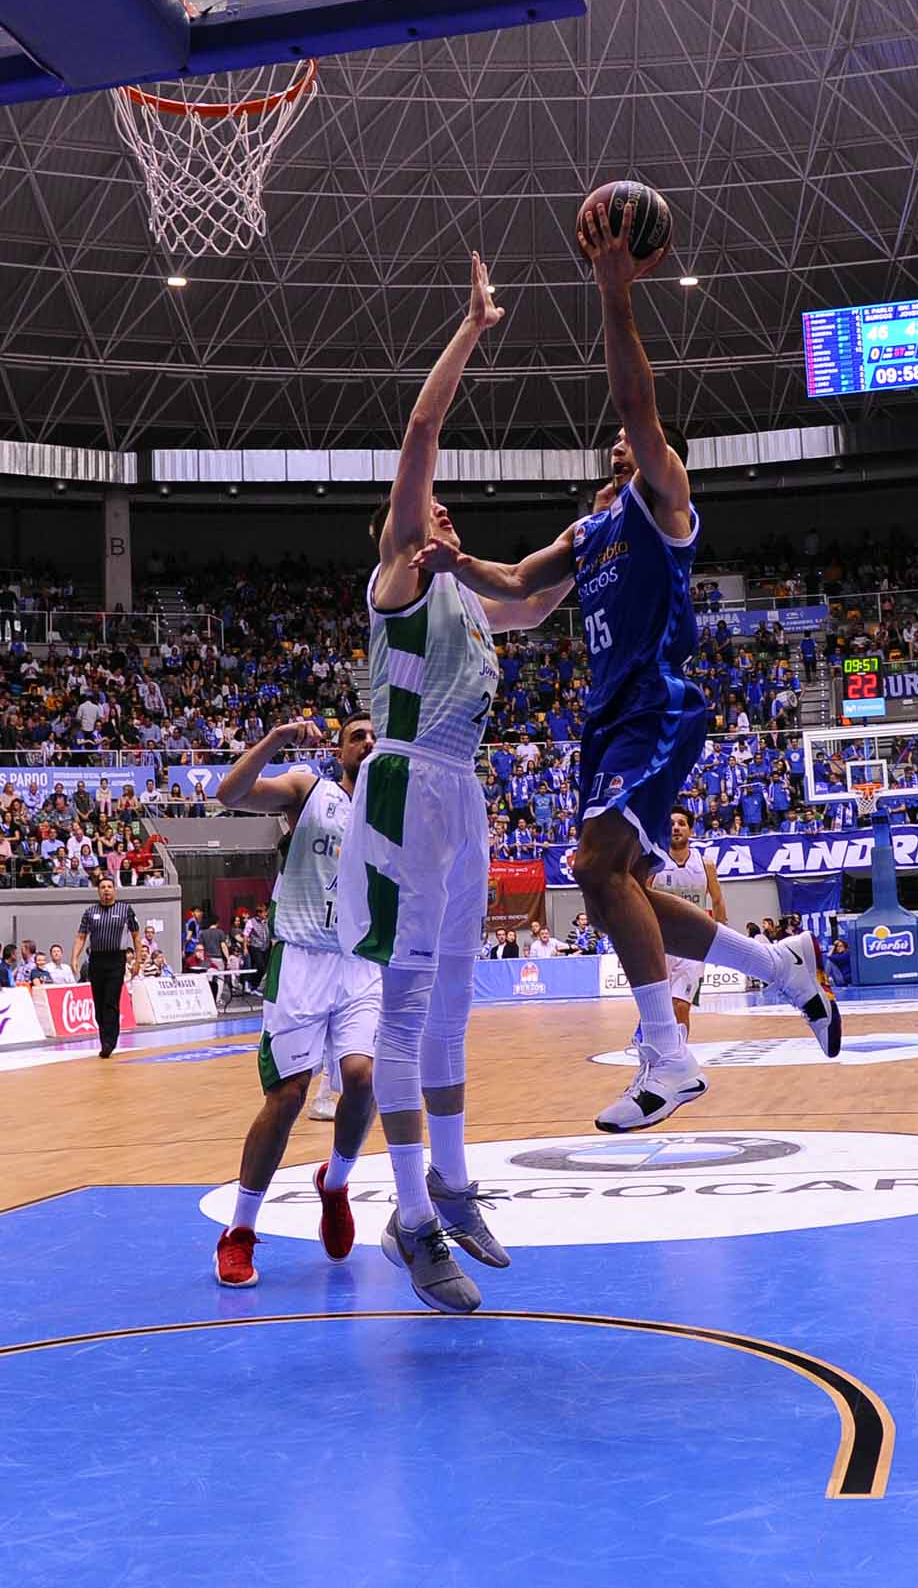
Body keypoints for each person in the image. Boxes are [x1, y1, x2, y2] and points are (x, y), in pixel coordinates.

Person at [416, 204, 839, 1134]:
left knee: (596, 866)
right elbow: (522, 586)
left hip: (655, 705)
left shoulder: (663, 505)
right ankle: (780, 964)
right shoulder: (593, 528)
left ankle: (669, 1057)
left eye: (634, 444)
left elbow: (637, 405)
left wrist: (614, 295)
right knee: (624, 891)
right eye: (613, 449)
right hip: (606, 720)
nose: (622, 446)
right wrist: (452, 567)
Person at [338, 251, 576, 1315]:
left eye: (447, 516)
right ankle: (408, 1215)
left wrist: (613, 526)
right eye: (435, 512)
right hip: (399, 790)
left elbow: (536, 596)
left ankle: (455, 1182)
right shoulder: (397, 574)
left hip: (463, 796)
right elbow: (420, 440)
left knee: (449, 1010)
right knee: (399, 1009)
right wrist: (474, 329)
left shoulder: (478, 609)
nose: (447, 519)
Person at [210, 712, 382, 1288]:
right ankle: (238, 1231)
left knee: (362, 1077)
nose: (368, 741)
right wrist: (276, 741)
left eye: (375, 735)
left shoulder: (393, 810)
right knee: (287, 1098)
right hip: (302, 957)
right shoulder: (310, 789)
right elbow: (228, 793)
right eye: (357, 735)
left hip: (360, 962)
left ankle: (334, 1184)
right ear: (338, 749)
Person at [647, 806, 726, 1038]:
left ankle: (680, 1057)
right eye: (671, 824)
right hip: (661, 943)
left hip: (693, 944)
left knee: (681, 1007)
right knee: (660, 1009)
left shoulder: (705, 865)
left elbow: (719, 901)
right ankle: (655, 1047)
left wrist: (722, 940)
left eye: (681, 823)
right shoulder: (655, 863)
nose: (676, 828)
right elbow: (641, 898)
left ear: (691, 830)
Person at [71, 876, 142, 1059]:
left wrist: (138, 961)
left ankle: (109, 1042)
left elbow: (135, 936)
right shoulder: (90, 912)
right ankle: (104, 1038)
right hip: (96, 960)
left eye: (110, 887)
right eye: (103, 887)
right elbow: (81, 937)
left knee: (111, 1001)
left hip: (116, 960)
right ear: (98, 891)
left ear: (115, 890)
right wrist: (74, 958)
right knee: (99, 1003)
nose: (106, 890)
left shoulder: (125, 910)